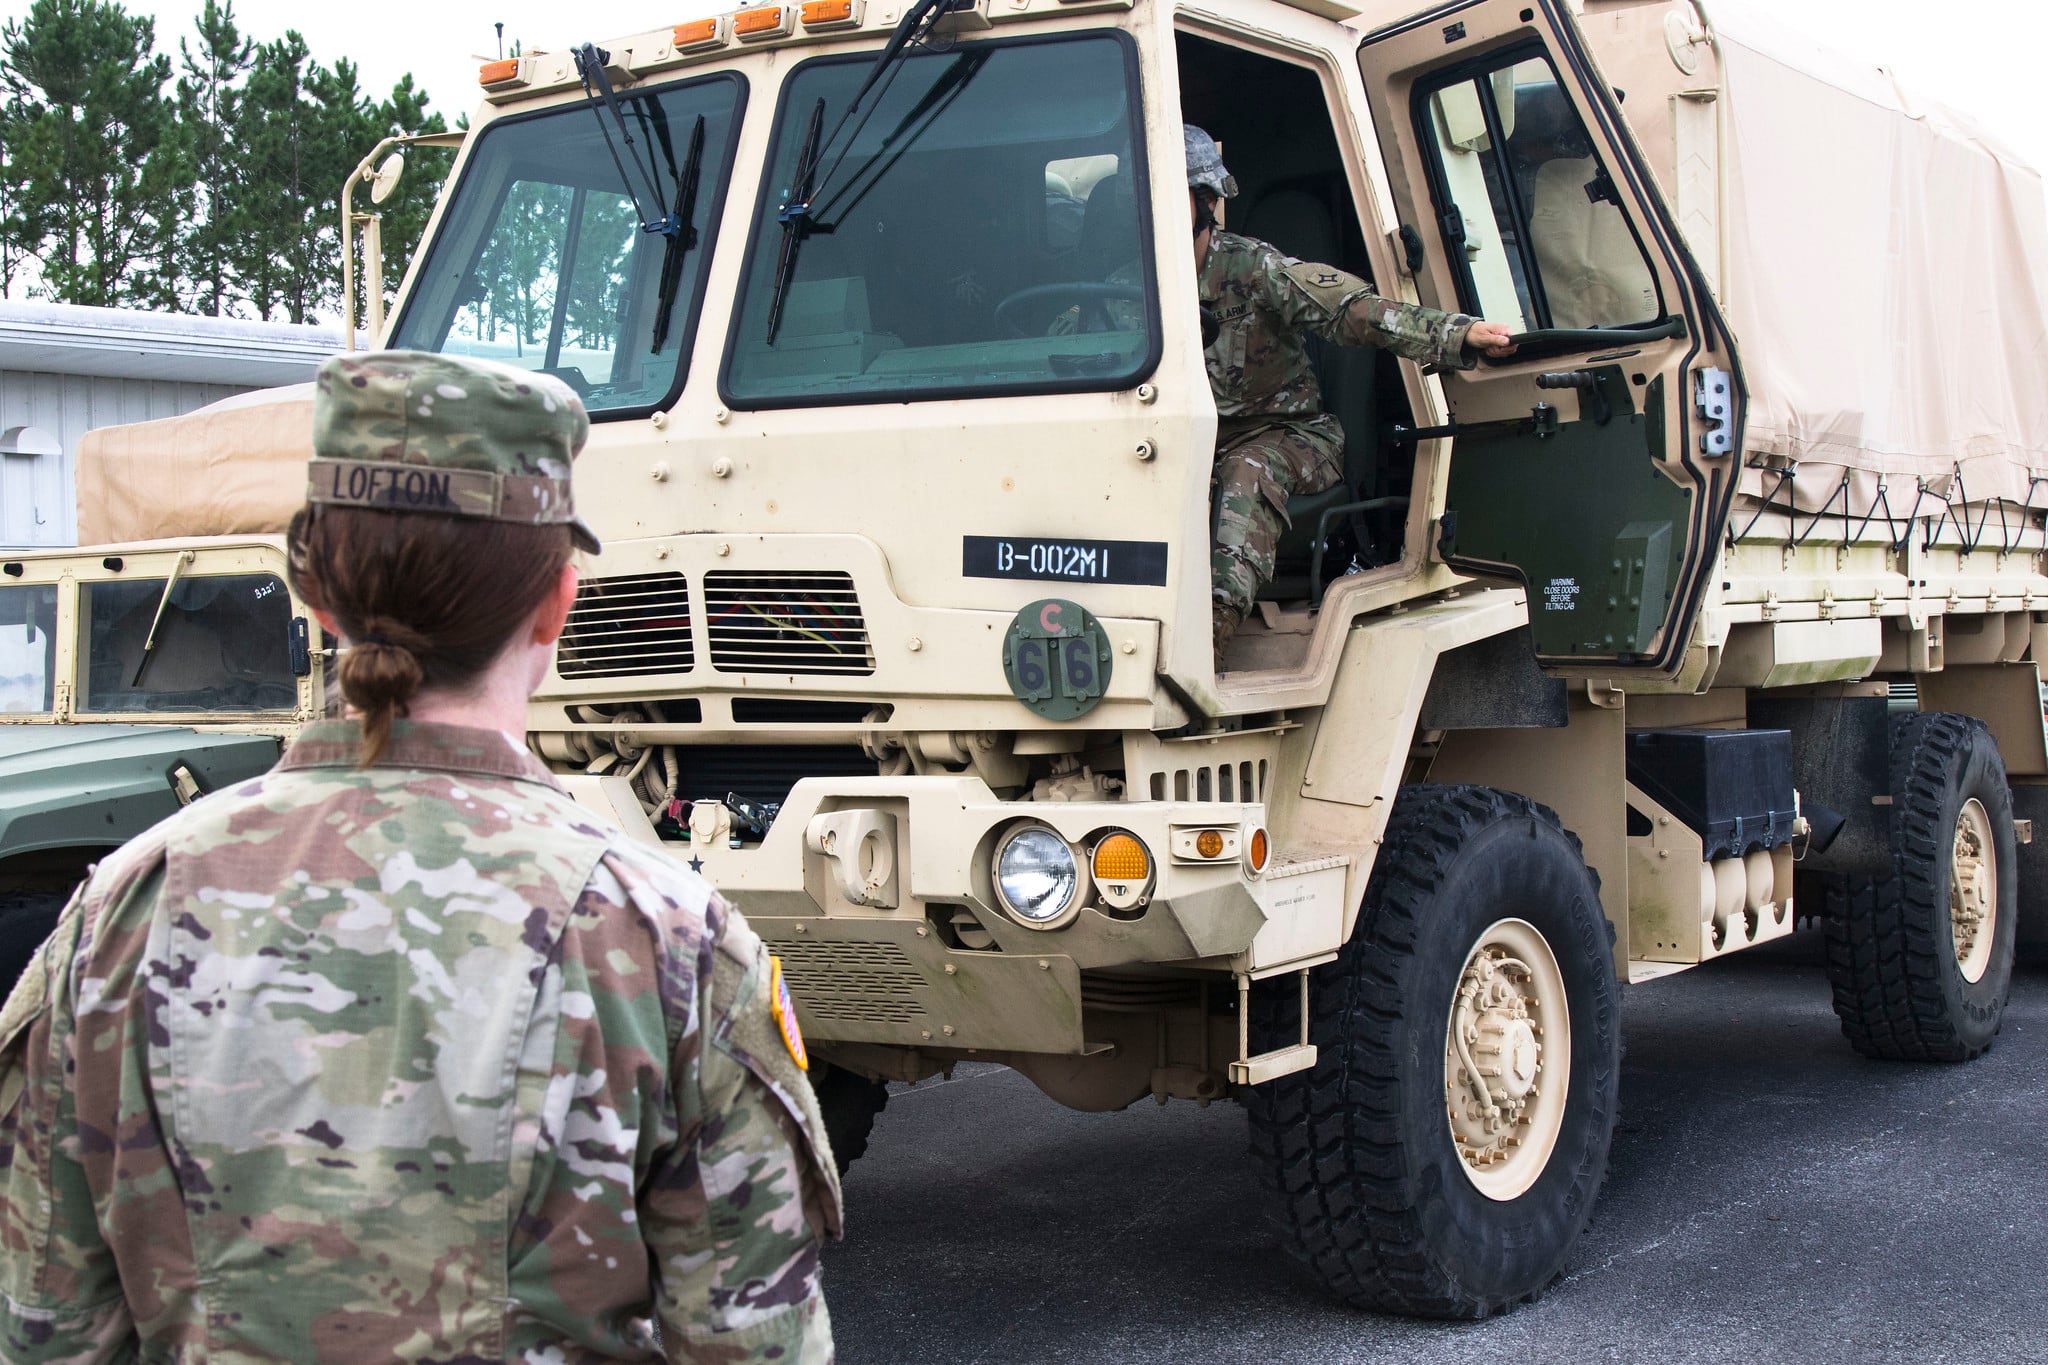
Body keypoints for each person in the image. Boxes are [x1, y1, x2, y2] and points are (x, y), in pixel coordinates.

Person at [0, 352, 842, 1362]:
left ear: (311, 592)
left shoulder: (117, 921)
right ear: (556, 602)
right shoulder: (666, 941)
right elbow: (752, 1342)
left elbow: (46, 1331)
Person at [1184, 125, 1517, 660]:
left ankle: (1201, 647)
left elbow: (1353, 312)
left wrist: (1457, 334)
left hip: (1289, 436)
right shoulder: (1129, 282)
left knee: (1247, 472)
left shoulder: (1253, 269)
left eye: (1170, 196)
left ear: (1204, 201)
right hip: (1183, 439)